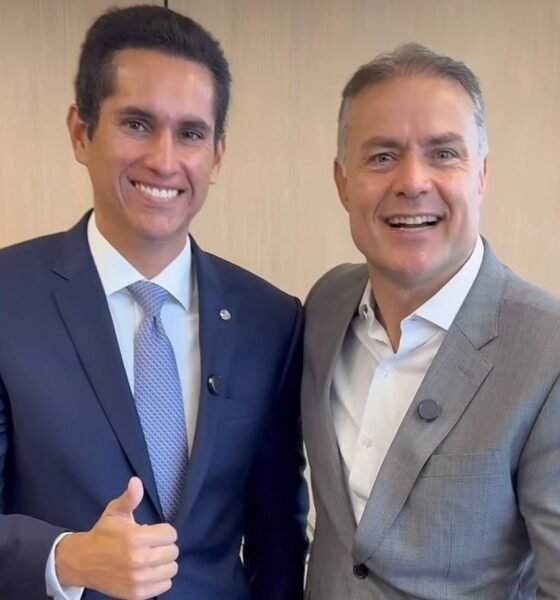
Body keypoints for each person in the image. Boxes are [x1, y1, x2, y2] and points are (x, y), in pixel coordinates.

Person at [0, 5, 308, 599]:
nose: (165, 160)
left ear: (217, 154)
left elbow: (279, 539)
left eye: (191, 133)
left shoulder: (270, 320)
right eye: (137, 124)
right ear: (81, 133)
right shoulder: (9, 298)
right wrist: (67, 559)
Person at [302, 43, 560, 599]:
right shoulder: (324, 306)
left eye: (444, 154)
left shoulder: (548, 350)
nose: (413, 181)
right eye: (382, 157)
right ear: (342, 181)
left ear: (481, 174)